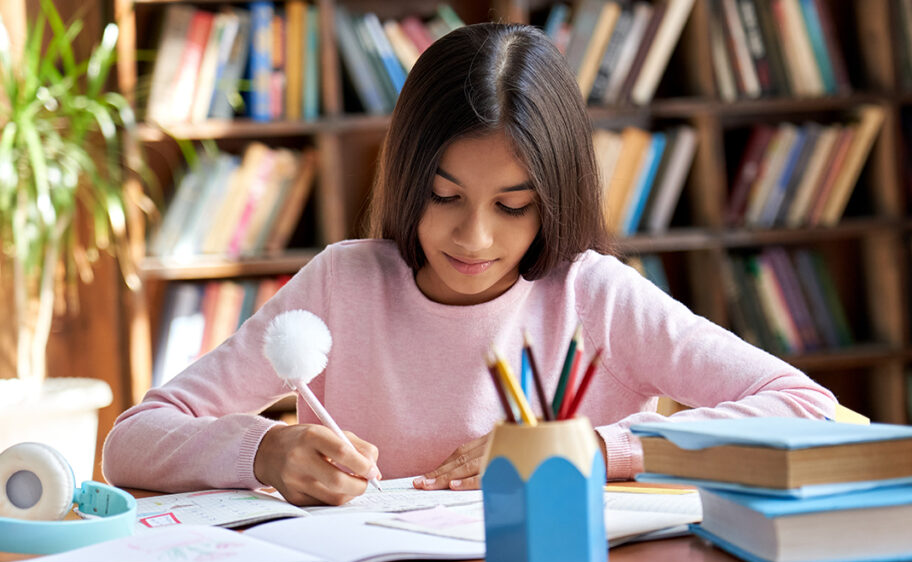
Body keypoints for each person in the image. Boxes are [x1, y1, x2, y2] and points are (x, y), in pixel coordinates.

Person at [103, 23, 836, 505]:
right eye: (444, 195)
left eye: (513, 206)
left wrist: (579, 445)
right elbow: (130, 442)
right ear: (406, 175)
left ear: (553, 199)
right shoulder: (343, 283)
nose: (474, 237)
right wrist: (265, 451)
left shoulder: (592, 295)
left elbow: (805, 406)